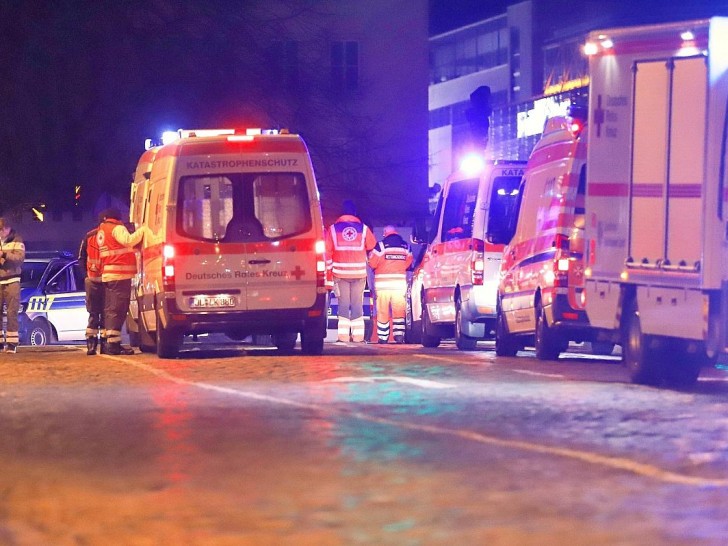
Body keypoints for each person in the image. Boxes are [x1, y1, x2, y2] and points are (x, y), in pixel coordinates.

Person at [325, 200, 376, 342]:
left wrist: (329, 272)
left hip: (340, 274)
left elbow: (327, 252)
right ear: (354, 213)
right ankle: (358, 337)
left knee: (343, 304)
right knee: (357, 305)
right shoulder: (363, 229)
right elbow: (372, 245)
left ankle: (343, 337)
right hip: (359, 274)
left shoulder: (333, 229)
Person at [97, 208, 146, 355]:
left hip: (108, 274)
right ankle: (113, 345)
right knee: (118, 309)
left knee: (110, 309)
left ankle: (108, 343)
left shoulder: (102, 230)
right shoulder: (116, 228)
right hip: (120, 275)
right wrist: (143, 230)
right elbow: (128, 241)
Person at [368, 225, 412, 344]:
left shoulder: (380, 246)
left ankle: (383, 337)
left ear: (385, 233)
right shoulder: (406, 246)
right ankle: (399, 336)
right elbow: (408, 262)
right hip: (399, 285)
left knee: (382, 311)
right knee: (399, 310)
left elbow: (372, 263)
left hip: (383, 286)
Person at [78, 215, 104, 355]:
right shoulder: (90, 236)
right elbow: (81, 258)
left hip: (99, 279)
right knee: (97, 313)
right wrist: (86, 276)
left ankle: (94, 344)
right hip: (99, 280)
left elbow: (81, 258)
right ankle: (94, 343)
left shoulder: (89, 236)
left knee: (96, 314)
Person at [0, 217, 25, 353]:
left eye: (2, 229)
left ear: (8, 228)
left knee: (11, 312)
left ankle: (12, 343)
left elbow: (19, 258)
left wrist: (4, 254)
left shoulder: (17, 240)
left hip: (12, 280)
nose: (1, 232)